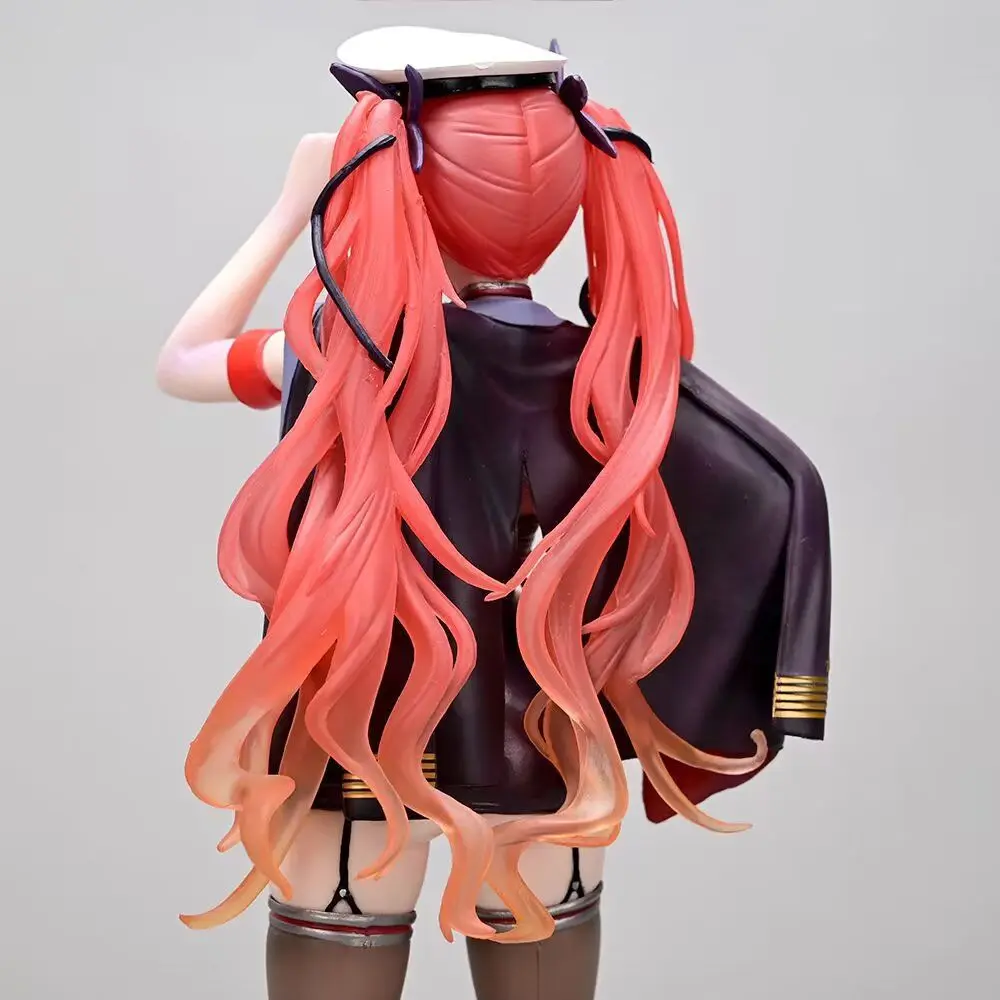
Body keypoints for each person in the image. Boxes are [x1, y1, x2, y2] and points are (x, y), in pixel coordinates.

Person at [156, 26, 832, 1000]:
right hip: (550, 746)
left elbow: (183, 361)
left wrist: (291, 207)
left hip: (363, 732)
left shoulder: (344, 356)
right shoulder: (610, 376)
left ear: (386, 186)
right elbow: (776, 485)